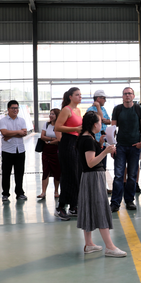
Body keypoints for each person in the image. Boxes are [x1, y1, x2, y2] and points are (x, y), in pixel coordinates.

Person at [76, 112, 127, 258]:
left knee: (89, 208)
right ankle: (109, 247)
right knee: (100, 209)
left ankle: (89, 244)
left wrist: (99, 145)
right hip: (93, 177)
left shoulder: (86, 137)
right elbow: (91, 162)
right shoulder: (88, 140)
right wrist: (105, 152)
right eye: (100, 122)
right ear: (94, 124)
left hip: (88, 177)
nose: (101, 125)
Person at [109, 87, 141, 212]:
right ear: (122, 96)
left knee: (132, 175)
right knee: (118, 175)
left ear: (133, 96)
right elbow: (113, 129)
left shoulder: (138, 109)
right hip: (120, 146)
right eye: (125, 94)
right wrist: (112, 146)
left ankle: (129, 200)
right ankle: (115, 203)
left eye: (129, 93)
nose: (127, 95)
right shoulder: (117, 109)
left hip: (134, 147)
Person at [55, 88, 83, 220]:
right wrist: (75, 128)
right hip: (67, 143)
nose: (80, 97)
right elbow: (57, 127)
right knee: (68, 175)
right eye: (77, 95)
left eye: (80, 95)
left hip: (76, 143)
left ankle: (73, 205)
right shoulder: (66, 110)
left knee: (76, 175)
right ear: (70, 97)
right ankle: (61, 207)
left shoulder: (78, 110)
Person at [0, 100, 28, 202]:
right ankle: (5, 194)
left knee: (19, 173)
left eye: (16, 108)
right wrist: (18, 132)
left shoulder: (22, 120)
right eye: (13, 108)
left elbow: (24, 133)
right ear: (8, 109)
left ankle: (19, 193)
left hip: (20, 150)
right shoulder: (3, 120)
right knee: (6, 173)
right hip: (7, 151)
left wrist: (10, 134)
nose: (15, 110)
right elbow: (4, 132)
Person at [38, 108, 62, 199]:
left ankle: (56, 191)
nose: (51, 116)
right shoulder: (46, 124)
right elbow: (42, 136)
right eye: (50, 114)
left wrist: (49, 141)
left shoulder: (60, 126)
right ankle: (43, 192)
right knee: (45, 170)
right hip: (46, 150)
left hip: (56, 151)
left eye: (53, 114)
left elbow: (59, 139)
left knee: (57, 170)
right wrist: (52, 139)